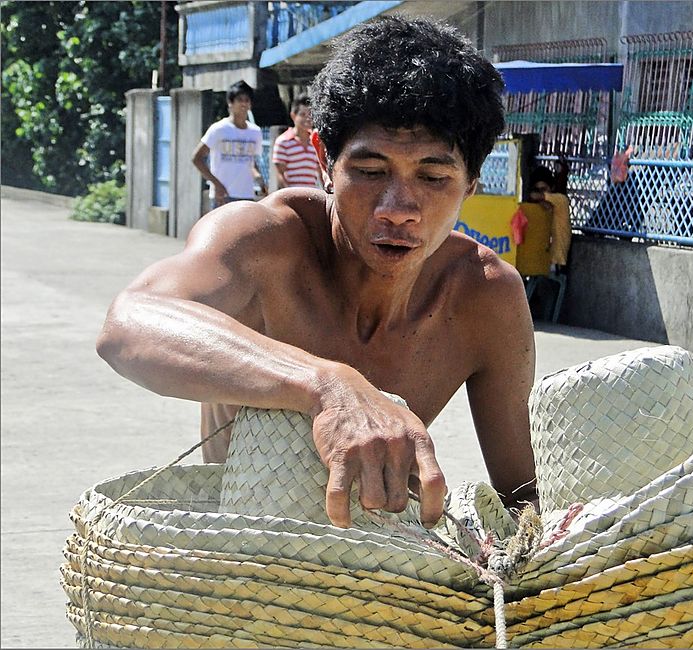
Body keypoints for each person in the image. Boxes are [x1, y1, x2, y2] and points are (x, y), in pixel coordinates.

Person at [97, 16, 538, 530]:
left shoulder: (484, 295)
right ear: (325, 161)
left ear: (471, 184)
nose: (399, 208)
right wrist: (326, 384)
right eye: (370, 172)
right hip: (238, 565)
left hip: (388, 571)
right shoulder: (263, 240)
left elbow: (524, 500)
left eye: (434, 177)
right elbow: (127, 323)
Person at [191, 80, 268, 208]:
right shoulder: (219, 129)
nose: (244, 103)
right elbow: (196, 158)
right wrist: (216, 184)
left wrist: (260, 181)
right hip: (223, 196)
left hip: (246, 196)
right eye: (239, 99)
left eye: (247, 100)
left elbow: (250, 162)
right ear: (230, 103)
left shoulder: (255, 132)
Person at [273, 94, 323, 190]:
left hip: (311, 196)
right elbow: (280, 174)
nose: (308, 118)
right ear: (293, 115)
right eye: (303, 115)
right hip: (292, 195)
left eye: (310, 114)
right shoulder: (283, 141)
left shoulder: (317, 141)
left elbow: (320, 172)